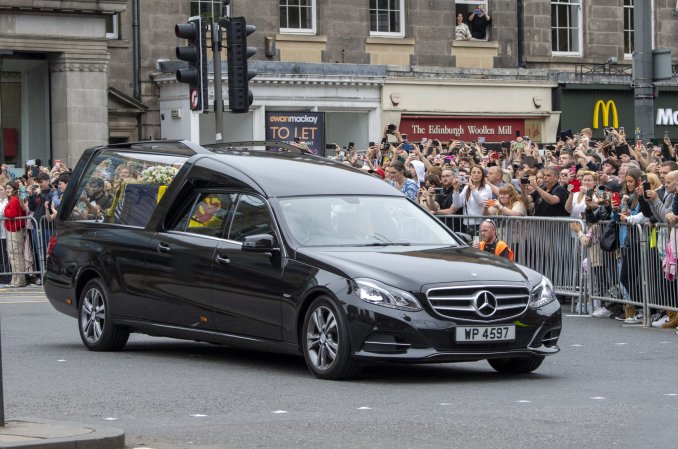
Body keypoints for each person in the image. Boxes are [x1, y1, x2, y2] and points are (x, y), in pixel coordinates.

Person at [4, 181, 27, 287]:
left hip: (15, 230)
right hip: (13, 230)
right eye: (6, 188)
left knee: (15, 255)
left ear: (14, 189)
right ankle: (15, 278)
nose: (7, 190)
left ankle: (20, 279)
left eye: (9, 188)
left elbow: (12, 214)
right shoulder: (13, 199)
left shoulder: (13, 199)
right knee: (13, 255)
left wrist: (5, 212)